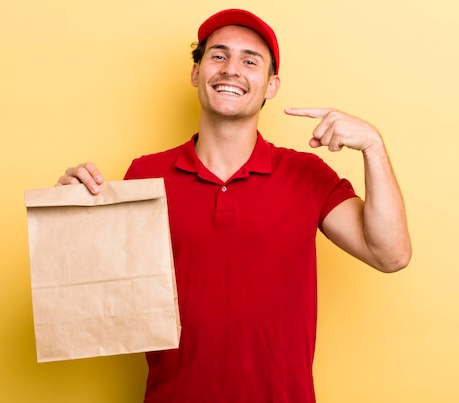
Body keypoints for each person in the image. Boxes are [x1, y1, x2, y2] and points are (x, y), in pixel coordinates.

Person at [56, 8, 411, 403]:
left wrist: (373, 147)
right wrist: (70, 216)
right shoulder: (145, 174)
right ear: (196, 73)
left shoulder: (307, 174)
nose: (231, 69)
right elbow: (99, 295)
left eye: (250, 60)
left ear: (271, 86)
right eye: (218, 55)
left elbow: (390, 254)